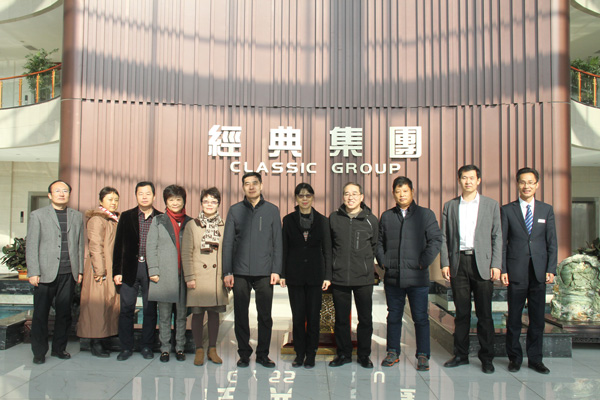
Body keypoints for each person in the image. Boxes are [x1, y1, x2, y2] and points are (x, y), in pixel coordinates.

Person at [440, 165, 502, 374]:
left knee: (485, 314)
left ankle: (487, 358)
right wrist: (445, 262)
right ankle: (461, 355)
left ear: (479, 180)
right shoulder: (450, 206)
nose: (468, 181)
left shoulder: (490, 205)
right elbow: (444, 237)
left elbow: (497, 236)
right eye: (464, 178)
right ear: (459, 180)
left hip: (482, 263)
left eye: (471, 178)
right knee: (462, 313)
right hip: (459, 263)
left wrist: (496, 264)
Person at [376, 176, 442, 371]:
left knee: (420, 317)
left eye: (405, 191)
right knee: (393, 316)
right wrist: (384, 262)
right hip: (393, 277)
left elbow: (436, 240)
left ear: (412, 192)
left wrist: (423, 262)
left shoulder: (425, 215)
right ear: (393, 194)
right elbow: (378, 242)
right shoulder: (387, 216)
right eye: (398, 191)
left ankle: (423, 355)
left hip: (417, 277)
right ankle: (392, 351)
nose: (401, 194)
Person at [222, 172, 283, 368]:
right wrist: (227, 271)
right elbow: (228, 243)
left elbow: (277, 242)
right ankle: (244, 353)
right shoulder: (235, 210)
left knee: (265, 315)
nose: (251, 187)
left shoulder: (272, 210)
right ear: (243, 187)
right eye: (247, 184)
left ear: (261, 185)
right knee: (241, 314)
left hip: (265, 272)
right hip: (240, 271)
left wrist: (276, 270)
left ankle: (263, 354)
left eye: (254, 183)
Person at [501, 167, 557, 374]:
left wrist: (551, 268)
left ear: (537, 185)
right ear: (517, 184)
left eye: (531, 182)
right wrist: (503, 268)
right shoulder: (507, 210)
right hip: (516, 270)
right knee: (514, 317)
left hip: (539, 272)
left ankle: (535, 359)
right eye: (523, 182)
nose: (527, 186)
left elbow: (552, 242)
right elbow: (503, 243)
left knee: (537, 318)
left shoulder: (546, 210)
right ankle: (514, 358)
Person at [26, 180, 84, 364]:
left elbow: (80, 244)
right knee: (41, 314)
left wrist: (80, 270)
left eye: (65, 191)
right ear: (50, 195)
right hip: (44, 273)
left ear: (69, 194)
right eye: (57, 191)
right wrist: (33, 271)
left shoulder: (77, 216)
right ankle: (39, 352)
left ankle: (59, 348)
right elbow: (32, 244)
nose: (61, 194)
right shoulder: (38, 215)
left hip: (68, 272)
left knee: (64, 314)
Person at [280, 183, 332, 369]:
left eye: (308, 195)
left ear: (312, 197)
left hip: (316, 275)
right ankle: (299, 353)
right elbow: (284, 248)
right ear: (296, 198)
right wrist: (283, 273)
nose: (304, 199)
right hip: (294, 275)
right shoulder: (288, 220)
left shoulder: (323, 221)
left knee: (313, 317)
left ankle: (311, 354)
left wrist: (327, 275)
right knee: (298, 316)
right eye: (301, 195)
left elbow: (327, 250)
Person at [328, 182, 378, 369]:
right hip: (340, 277)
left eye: (355, 194)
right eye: (347, 194)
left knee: (365, 319)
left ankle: (364, 355)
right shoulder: (334, 218)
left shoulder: (371, 220)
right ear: (343, 197)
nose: (351, 197)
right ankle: (343, 354)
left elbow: (374, 245)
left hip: (363, 278)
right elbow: (329, 247)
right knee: (341, 319)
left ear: (361, 197)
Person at [113, 181, 161, 361]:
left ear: (154, 196)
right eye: (141, 193)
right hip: (129, 268)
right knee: (126, 309)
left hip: (152, 269)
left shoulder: (161, 218)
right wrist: (117, 271)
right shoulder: (126, 216)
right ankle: (126, 347)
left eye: (148, 193)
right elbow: (119, 245)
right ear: (136, 196)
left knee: (150, 309)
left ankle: (147, 346)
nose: (144, 197)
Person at [181, 187, 229, 366]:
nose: (209, 205)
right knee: (197, 313)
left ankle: (212, 349)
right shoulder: (192, 225)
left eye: (213, 202)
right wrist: (189, 276)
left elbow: (228, 251)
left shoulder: (224, 225)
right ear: (201, 203)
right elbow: (186, 253)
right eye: (206, 201)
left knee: (215, 314)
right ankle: (199, 349)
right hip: (198, 275)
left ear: (218, 204)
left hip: (217, 276)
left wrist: (227, 274)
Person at [146, 185, 192, 362]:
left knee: (181, 315)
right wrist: (153, 270)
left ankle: (180, 348)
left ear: (184, 201)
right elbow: (151, 247)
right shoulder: (158, 221)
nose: (175, 203)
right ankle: (164, 348)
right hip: (164, 275)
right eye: (171, 199)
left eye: (178, 199)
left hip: (183, 276)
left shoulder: (190, 222)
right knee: (164, 315)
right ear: (165, 201)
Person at [77, 186, 121, 357]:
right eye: (110, 199)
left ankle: (104, 340)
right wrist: (100, 271)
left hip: (110, 268)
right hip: (100, 270)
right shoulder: (97, 219)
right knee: (97, 306)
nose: (113, 203)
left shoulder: (112, 219)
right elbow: (95, 246)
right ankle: (95, 343)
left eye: (116, 199)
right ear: (101, 200)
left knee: (108, 305)